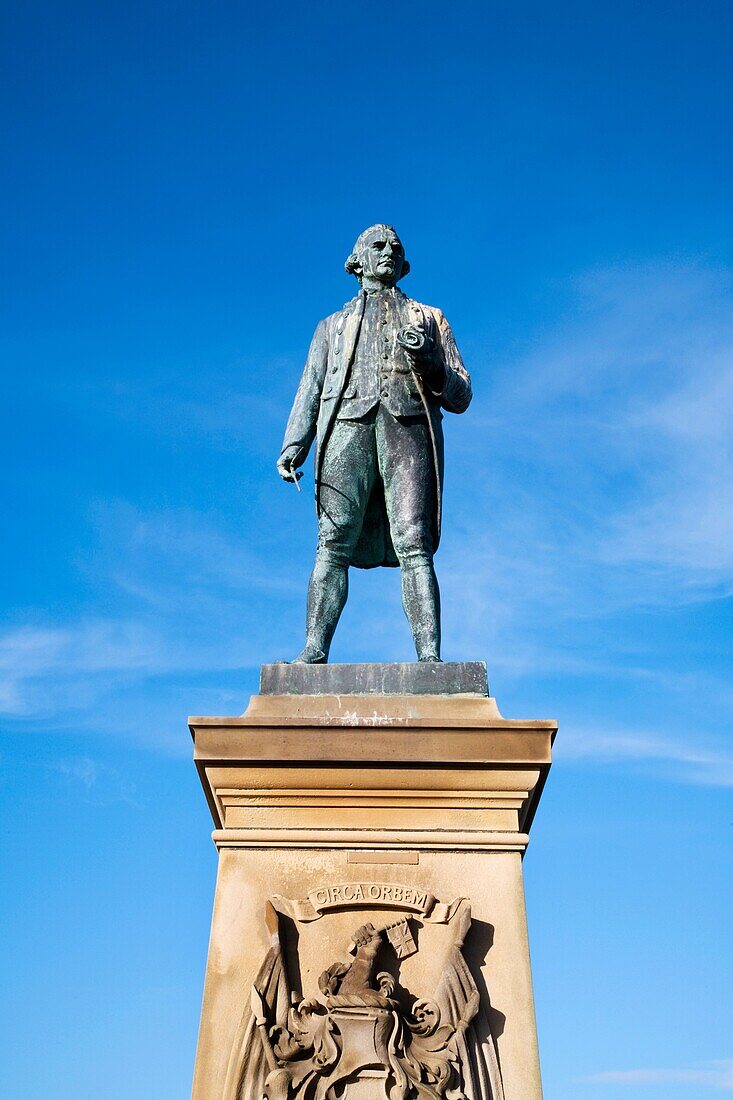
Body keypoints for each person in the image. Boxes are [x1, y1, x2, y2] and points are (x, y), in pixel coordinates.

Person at [277, 224, 472, 663]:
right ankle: (314, 648)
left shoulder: (429, 318)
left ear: (403, 264)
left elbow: (462, 393)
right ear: (357, 261)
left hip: (407, 429)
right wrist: (294, 445)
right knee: (333, 539)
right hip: (346, 426)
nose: (389, 252)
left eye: (396, 248)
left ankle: (430, 657)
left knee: (414, 542)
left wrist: (429, 362)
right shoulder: (331, 326)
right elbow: (309, 388)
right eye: (378, 245)